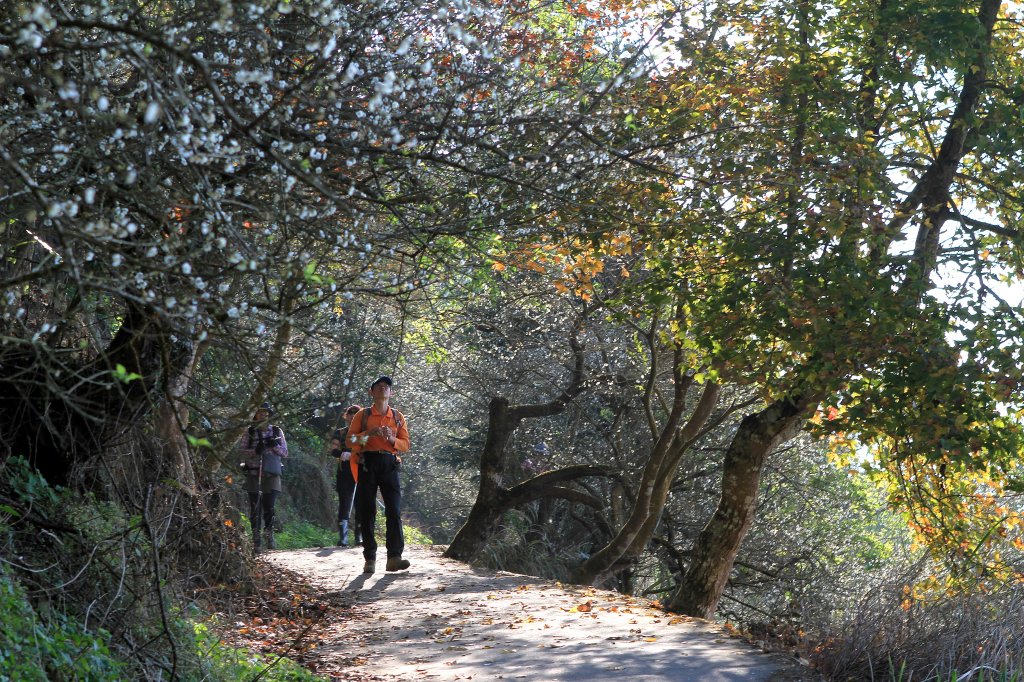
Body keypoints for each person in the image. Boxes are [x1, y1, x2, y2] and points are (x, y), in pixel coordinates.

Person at [349, 376, 410, 573]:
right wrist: (370, 433)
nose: (383, 388)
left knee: (394, 510)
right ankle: (370, 558)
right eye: (379, 386)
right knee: (367, 511)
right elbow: (350, 440)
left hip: (390, 464)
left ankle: (394, 557)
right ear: (371, 392)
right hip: (367, 463)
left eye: (387, 387)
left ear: (391, 393)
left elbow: (405, 445)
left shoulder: (398, 417)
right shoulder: (362, 415)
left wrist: (392, 439)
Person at [238, 402, 289, 551]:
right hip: (254, 473)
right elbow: (241, 452)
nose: (263, 415)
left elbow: (285, 453)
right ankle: (256, 538)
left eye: (265, 412)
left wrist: (274, 445)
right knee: (255, 506)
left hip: (272, 474)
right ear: (255, 414)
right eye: (260, 412)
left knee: (269, 506)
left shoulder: (277, 431)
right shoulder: (250, 432)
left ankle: (269, 534)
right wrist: (255, 451)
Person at [331, 404, 362, 547]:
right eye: (351, 413)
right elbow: (334, 450)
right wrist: (342, 454)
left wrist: (357, 455)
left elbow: (368, 448)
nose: (353, 415)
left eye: (356, 413)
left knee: (361, 503)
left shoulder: (364, 433)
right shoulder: (340, 432)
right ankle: (343, 536)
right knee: (345, 502)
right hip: (344, 470)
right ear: (346, 415)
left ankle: (359, 536)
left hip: (361, 470)